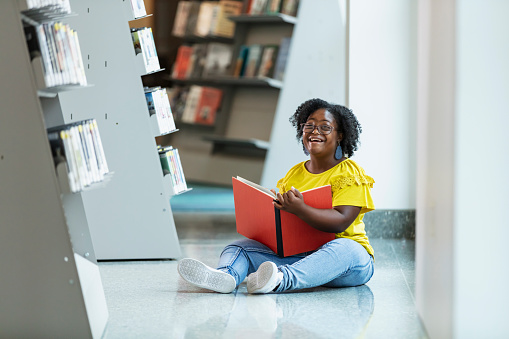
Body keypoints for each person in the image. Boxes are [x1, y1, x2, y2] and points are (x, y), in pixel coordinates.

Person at [178, 98, 375, 294]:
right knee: (240, 248)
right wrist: (272, 208)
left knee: (345, 248)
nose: (315, 131)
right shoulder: (294, 174)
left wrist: (301, 208)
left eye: (325, 127)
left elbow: (341, 221)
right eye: (310, 126)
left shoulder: (349, 172)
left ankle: (280, 279)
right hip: (302, 257)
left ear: (340, 135)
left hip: (349, 264)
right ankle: (226, 276)